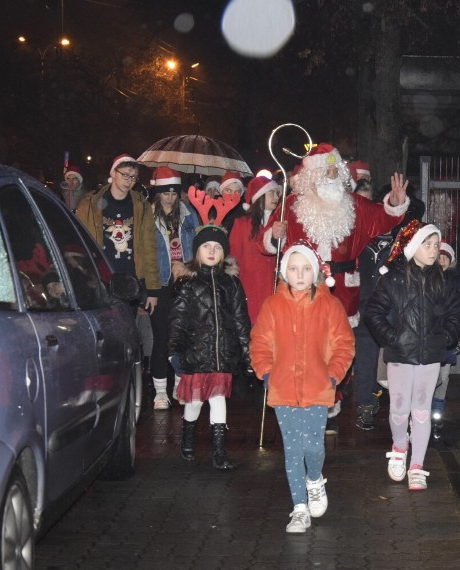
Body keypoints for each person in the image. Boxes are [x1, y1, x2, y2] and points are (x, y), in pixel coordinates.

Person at [269, 143, 410, 434]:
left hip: (346, 290)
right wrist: (275, 234)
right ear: (313, 174)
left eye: (336, 170)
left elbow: (382, 219)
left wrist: (395, 204)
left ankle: (333, 398)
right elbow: (269, 240)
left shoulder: (354, 205)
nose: (332, 174)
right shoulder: (293, 205)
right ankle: (314, 403)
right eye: (326, 169)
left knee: (338, 349)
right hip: (304, 289)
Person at [249, 241, 355, 533]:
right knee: (293, 449)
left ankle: (315, 480)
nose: (299, 274)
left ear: (315, 272)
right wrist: (268, 374)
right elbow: (260, 343)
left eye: (306, 268)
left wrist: (332, 376)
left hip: (318, 389)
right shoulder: (273, 305)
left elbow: (344, 344)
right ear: (284, 272)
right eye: (293, 269)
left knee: (313, 447)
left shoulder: (330, 305)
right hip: (283, 390)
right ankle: (299, 507)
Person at [364, 220, 460, 490]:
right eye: (427, 244)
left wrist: (446, 338)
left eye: (436, 245)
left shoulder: (442, 280)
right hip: (400, 355)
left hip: (430, 356)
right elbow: (373, 312)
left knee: (421, 411)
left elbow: (458, 311)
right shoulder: (394, 278)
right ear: (412, 245)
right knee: (399, 409)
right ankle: (400, 446)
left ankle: (417, 465)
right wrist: (391, 338)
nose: (434, 250)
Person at [169, 218, 251, 470]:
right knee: (194, 401)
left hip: (222, 355)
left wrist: (248, 352)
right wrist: (174, 351)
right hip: (196, 354)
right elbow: (178, 320)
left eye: (217, 247)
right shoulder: (189, 285)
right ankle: (188, 438)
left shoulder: (232, 284)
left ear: (224, 252)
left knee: (218, 399)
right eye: (206, 247)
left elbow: (240, 320)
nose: (212, 251)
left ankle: (219, 451)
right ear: (197, 252)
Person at [353, 183, 426, 431]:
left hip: (395, 310)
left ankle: (401, 410)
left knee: (396, 363)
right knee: (365, 356)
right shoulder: (362, 232)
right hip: (365, 305)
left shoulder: (406, 237)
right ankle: (365, 405)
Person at [76, 154, 161, 352]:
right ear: (113, 173)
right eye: (125, 175)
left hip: (129, 282)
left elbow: (149, 246)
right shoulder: (90, 204)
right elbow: (78, 244)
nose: (129, 181)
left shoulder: (141, 206)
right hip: (99, 280)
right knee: (100, 338)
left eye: (133, 177)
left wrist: (152, 289)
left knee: (125, 339)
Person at [149, 166, 199, 409]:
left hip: (185, 283)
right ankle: (160, 391)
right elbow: (145, 254)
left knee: (183, 338)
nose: (169, 197)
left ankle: (180, 385)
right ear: (157, 193)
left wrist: (192, 270)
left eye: (173, 192)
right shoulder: (148, 217)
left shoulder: (189, 215)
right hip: (160, 284)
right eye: (164, 192)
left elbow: (199, 245)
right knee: (161, 338)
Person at [229, 174, 282, 324]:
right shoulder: (241, 224)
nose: (276, 196)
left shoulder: (277, 224)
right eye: (271, 193)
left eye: (276, 192)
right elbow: (234, 258)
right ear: (259, 197)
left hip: (272, 285)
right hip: (249, 287)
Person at [430, 241, 460, 437]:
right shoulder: (428, 279)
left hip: (449, 339)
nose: (443, 261)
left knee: (443, 379)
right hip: (431, 339)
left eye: (446, 258)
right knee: (431, 377)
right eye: (440, 257)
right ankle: (424, 413)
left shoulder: (456, 282)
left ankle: (437, 415)